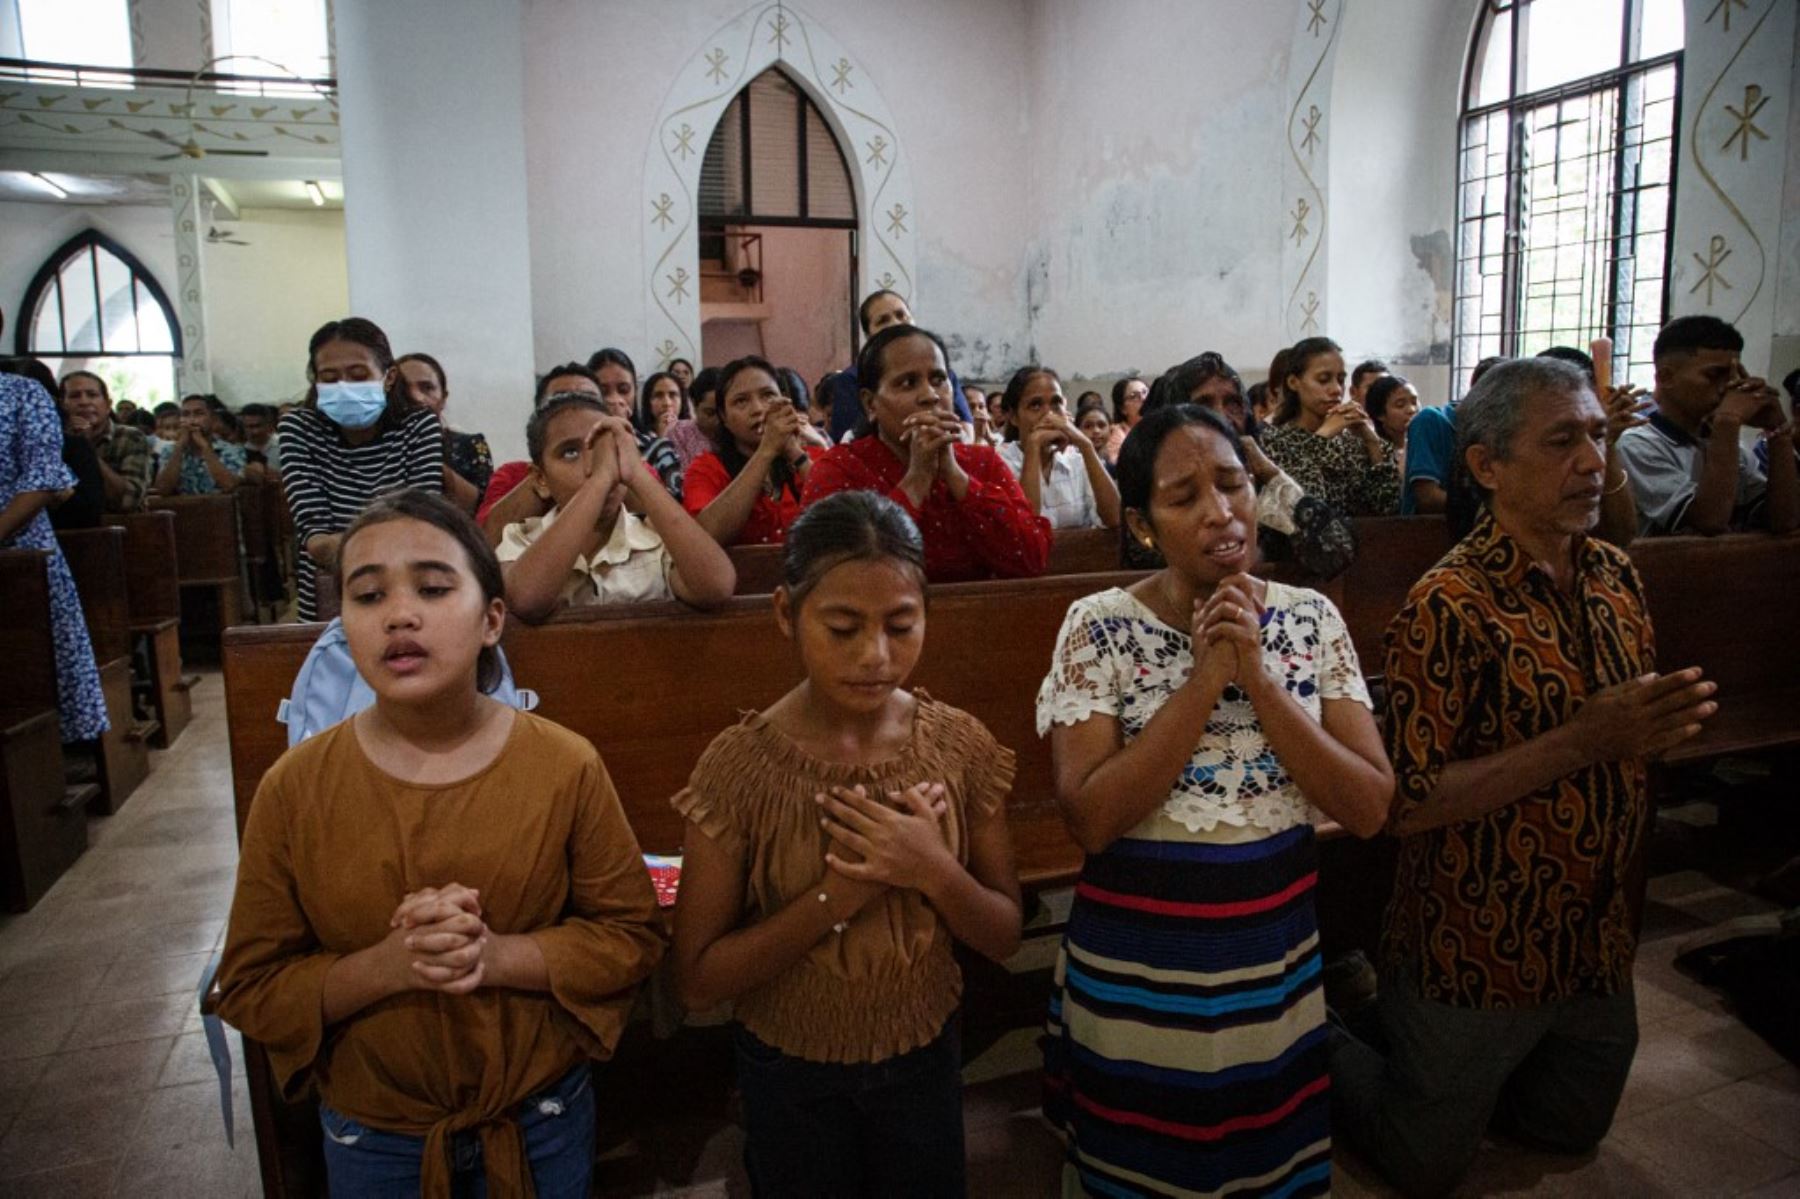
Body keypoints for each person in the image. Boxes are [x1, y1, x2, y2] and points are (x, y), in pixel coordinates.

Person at [1330, 357, 1718, 1197]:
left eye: (1598, 436)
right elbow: (1405, 802)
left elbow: (1624, 738)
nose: (1593, 461)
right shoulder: (1449, 604)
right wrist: (1583, 740)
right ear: (1486, 466)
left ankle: (1438, 1056)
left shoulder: (1615, 578)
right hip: (1477, 940)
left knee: (1569, 1125)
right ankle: (1319, 1031)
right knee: (1422, 1161)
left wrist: (1658, 729)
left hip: (1591, 936)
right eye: (1562, 441)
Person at [215, 488, 664, 1198]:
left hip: (536, 1116)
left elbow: (631, 935)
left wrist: (494, 955)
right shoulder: (295, 787)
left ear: (491, 620)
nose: (399, 613)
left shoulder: (562, 762)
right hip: (375, 1131)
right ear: (343, 625)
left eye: (431, 586)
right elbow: (250, 985)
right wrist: (389, 967)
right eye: (367, 596)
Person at [1038, 404, 1392, 1198]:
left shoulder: (1310, 618)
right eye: (1183, 495)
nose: (1220, 511)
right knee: (1140, 1169)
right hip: (1136, 978)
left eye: (1232, 484)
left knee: (1262, 1166)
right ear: (1142, 522)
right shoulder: (1098, 627)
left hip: (1271, 971)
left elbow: (1369, 805)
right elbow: (1091, 818)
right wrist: (1205, 680)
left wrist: (1258, 678)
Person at [670, 490, 1022, 1196]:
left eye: (901, 625)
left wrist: (932, 870)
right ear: (785, 615)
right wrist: (844, 893)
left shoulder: (955, 744)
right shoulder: (741, 769)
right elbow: (700, 978)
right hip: (790, 1067)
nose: (876, 655)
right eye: (843, 627)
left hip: (923, 1050)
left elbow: (1005, 932)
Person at [802, 324, 1051, 582]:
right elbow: (832, 575)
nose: (930, 396)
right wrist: (917, 477)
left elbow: (1031, 559)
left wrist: (955, 475)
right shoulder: (840, 468)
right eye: (908, 383)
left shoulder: (982, 462)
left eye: (938, 380)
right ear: (870, 403)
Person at [498, 395, 734, 618]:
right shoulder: (521, 539)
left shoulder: (656, 537)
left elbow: (717, 587)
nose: (593, 464)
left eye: (604, 449)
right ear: (541, 479)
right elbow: (526, 600)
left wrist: (636, 473)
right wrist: (600, 480)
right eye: (570, 452)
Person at [280, 317, 446, 622]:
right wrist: (394, 539)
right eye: (330, 378)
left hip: (409, 597)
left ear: (389, 376)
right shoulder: (299, 429)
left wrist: (348, 545)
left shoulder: (418, 425)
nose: (344, 387)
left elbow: (423, 526)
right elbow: (316, 540)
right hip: (331, 598)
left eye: (358, 375)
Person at [0, 372, 110, 745]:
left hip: (19, 548)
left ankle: (39, 762)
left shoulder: (21, 394)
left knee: (27, 674)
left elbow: (43, 477)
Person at [1615, 315, 1798, 536]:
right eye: (1714, 375)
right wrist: (1728, 420)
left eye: (1734, 375)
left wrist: (1778, 431)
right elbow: (1710, 521)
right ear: (1666, 378)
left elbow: (1785, 521)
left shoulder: (1732, 448)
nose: (1729, 386)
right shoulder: (1636, 444)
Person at [478, 364, 685, 540]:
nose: (575, 410)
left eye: (588, 400)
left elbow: (673, 530)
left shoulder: (634, 470)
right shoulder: (513, 475)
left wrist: (615, 466)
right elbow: (486, 539)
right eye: (559, 401)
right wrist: (551, 474)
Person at [682, 356, 822, 546]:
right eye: (741, 401)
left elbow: (847, 522)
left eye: (768, 396)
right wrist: (766, 451)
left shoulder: (811, 457)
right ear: (724, 417)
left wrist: (793, 452)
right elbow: (705, 538)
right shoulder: (706, 469)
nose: (758, 409)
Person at [1261, 336, 1402, 515]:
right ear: (1293, 382)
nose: (1336, 389)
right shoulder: (1274, 441)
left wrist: (1372, 442)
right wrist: (1324, 434)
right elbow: (1303, 508)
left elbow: (1388, 510)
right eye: (1323, 379)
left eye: (1341, 379)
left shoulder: (1353, 442)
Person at [821, 291, 974, 439]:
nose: (895, 323)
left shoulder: (944, 373)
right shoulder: (850, 380)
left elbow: (966, 431)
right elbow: (849, 438)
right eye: (883, 320)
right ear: (869, 336)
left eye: (901, 315)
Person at [994, 366, 1120, 529]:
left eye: (1056, 403)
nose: (1049, 415)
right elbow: (1025, 527)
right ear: (1012, 416)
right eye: (1036, 405)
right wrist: (1033, 447)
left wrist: (1086, 446)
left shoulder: (1077, 460)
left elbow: (1115, 519)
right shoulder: (999, 463)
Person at [397, 352, 493, 515]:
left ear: (443, 398)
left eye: (427, 388)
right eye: (403, 389)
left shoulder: (471, 445)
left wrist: (425, 454)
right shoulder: (378, 447)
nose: (415, 397)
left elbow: (483, 510)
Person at [60, 370, 152, 512]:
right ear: (63, 405)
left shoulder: (130, 437)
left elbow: (128, 501)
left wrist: (85, 447)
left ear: (108, 405)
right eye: (74, 396)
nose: (84, 402)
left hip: (123, 527)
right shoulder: (55, 441)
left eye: (92, 395)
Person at [152, 392, 246, 496]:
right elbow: (162, 489)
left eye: (199, 413)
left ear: (212, 419)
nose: (192, 420)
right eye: (186, 415)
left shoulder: (231, 450)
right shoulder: (169, 451)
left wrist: (204, 446)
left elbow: (229, 485)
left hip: (219, 509)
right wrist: (179, 447)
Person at [667, 365, 721, 468]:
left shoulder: (735, 432)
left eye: (723, 413)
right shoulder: (678, 432)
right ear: (694, 404)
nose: (718, 421)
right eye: (710, 413)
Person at [1363, 374, 1421, 468]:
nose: (1412, 410)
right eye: (1400, 405)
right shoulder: (1372, 451)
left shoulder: (1425, 446)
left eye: (1414, 402)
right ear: (1380, 414)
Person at [1103, 375, 1148, 464]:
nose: (1143, 398)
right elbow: (1119, 466)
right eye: (1134, 396)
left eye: (1145, 392)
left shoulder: (1161, 426)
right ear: (1123, 409)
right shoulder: (1117, 434)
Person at [638, 370, 688, 440]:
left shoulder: (695, 434)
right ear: (648, 401)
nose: (667, 403)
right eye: (658, 395)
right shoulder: (639, 438)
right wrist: (662, 438)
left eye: (673, 395)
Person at [239, 402, 284, 481]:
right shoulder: (239, 451)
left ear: (268, 424)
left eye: (258, 426)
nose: (255, 432)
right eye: (250, 427)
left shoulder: (283, 446)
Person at [1075, 406, 1114, 475]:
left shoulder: (1115, 470)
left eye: (1101, 425)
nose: (1096, 431)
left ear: (1111, 430)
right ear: (1077, 431)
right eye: (1088, 426)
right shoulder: (1070, 466)